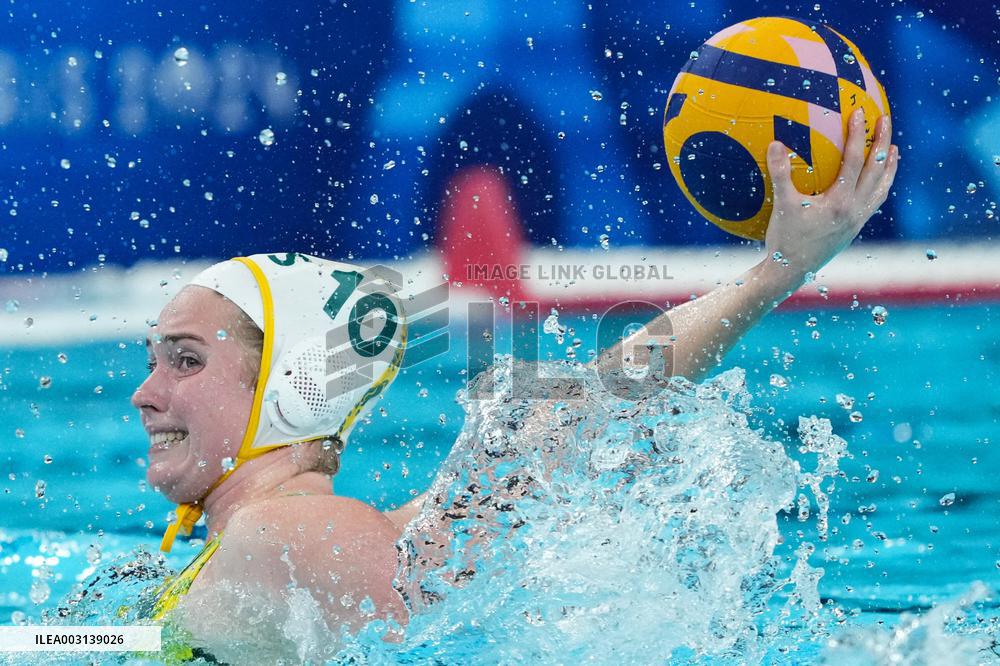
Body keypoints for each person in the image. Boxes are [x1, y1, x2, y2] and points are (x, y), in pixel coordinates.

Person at [130, 108, 896, 657]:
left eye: (185, 359)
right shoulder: (264, 551)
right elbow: (597, 399)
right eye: (154, 358)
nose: (146, 392)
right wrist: (778, 270)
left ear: (293, 386)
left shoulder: (285, 537)